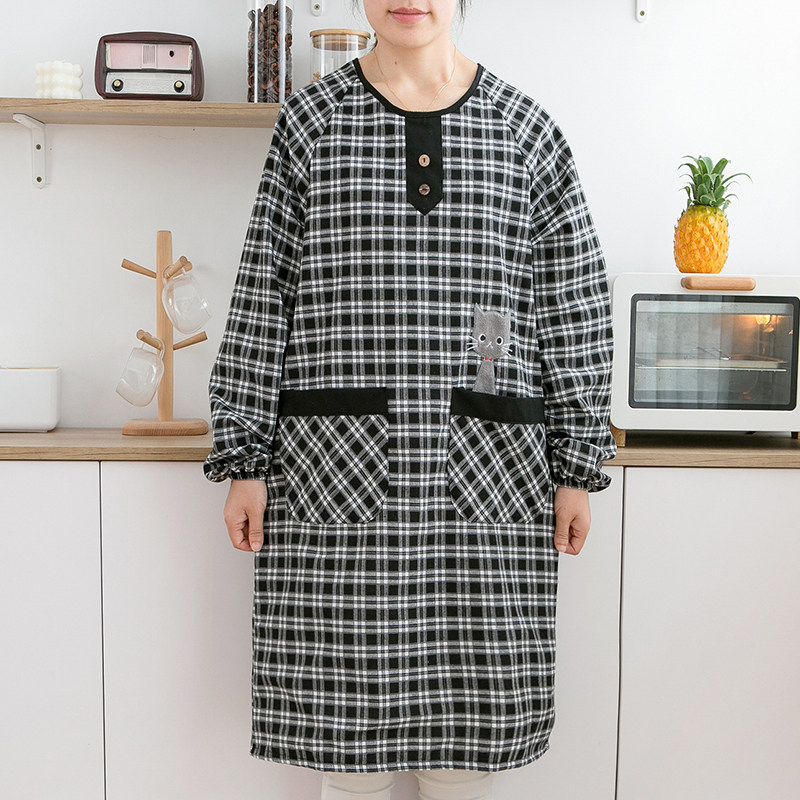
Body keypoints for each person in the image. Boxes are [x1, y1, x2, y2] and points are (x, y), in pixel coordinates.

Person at [204, 1, 616, 798]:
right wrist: (244, 457)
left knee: (467, 754)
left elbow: (573, 304)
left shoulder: (526, 130)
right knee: (348, 754)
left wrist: (576, 467)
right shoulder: (312, 123)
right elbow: (263, 292)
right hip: (336, 482)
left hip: (490, 485)